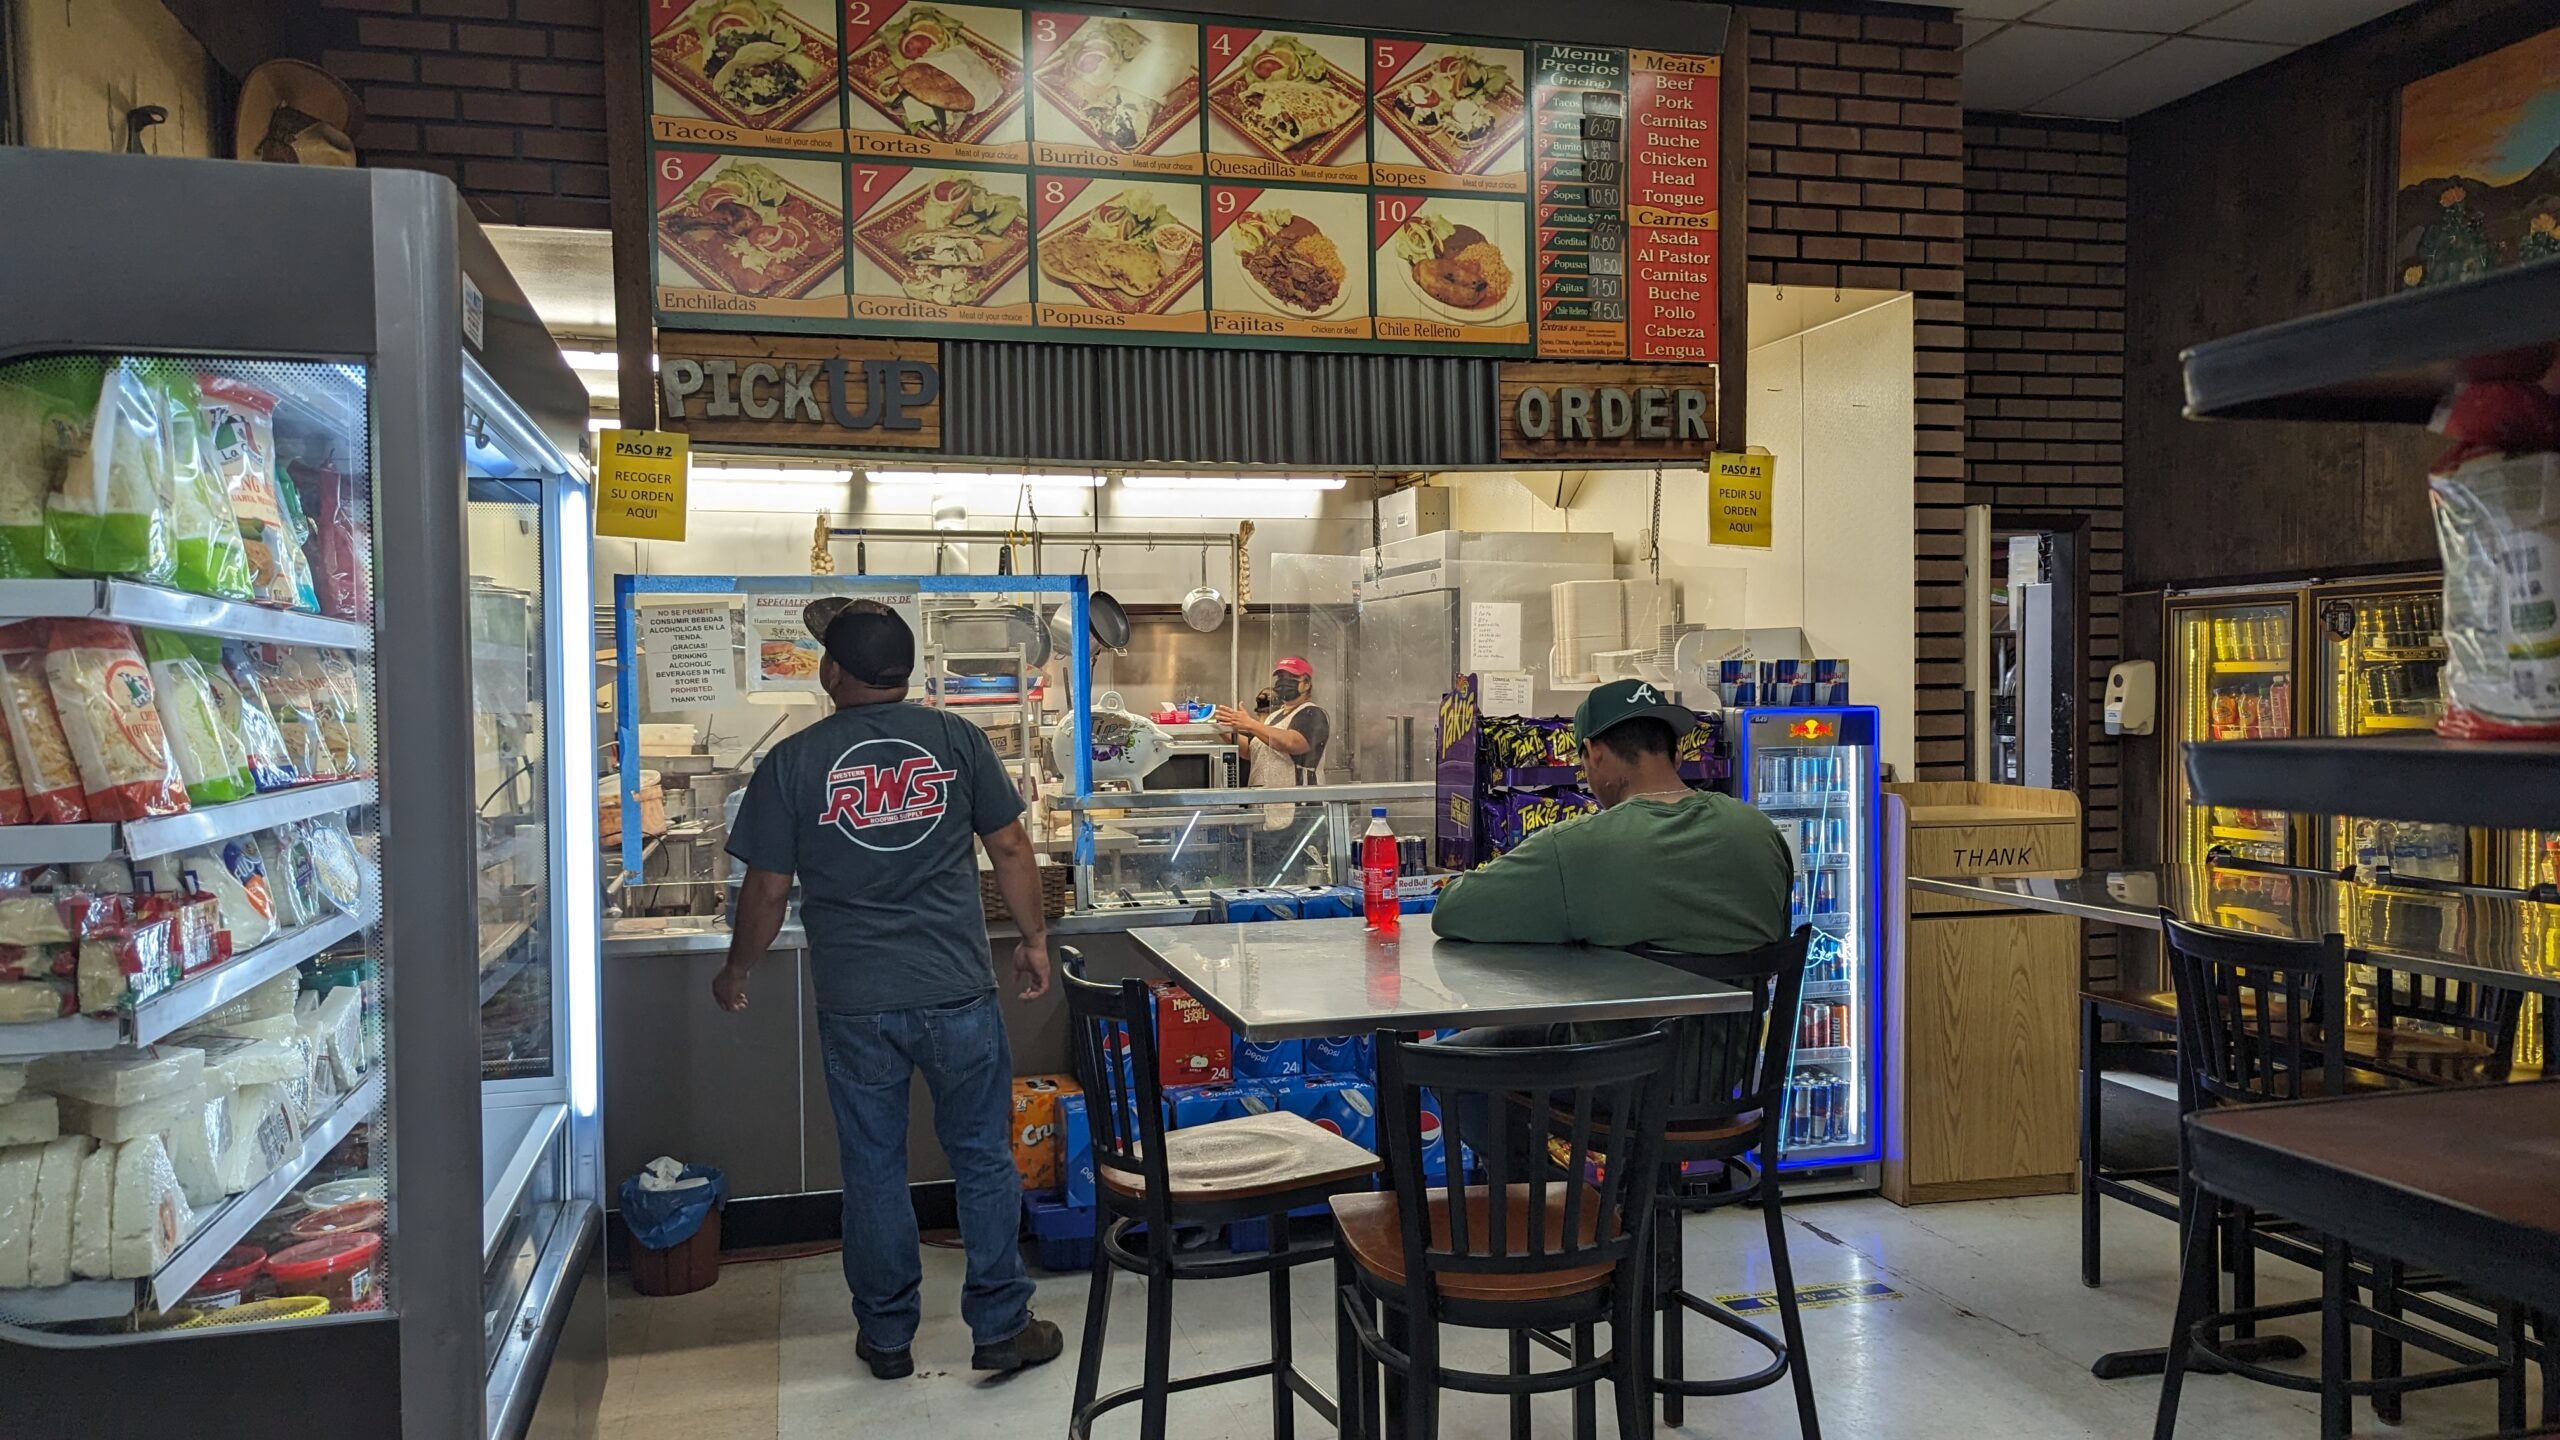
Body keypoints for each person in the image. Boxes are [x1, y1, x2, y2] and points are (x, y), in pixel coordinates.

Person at [717, 598, 1063, 1382]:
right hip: (956, 991)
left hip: (857, 1001)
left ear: (834, 673)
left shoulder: (796, 761)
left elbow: (767, 891)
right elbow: (1010, 845)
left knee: (873, 1165)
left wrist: (737, 969)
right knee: (980, 1156)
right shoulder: (956, 739)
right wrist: (1035, 940)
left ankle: (885, 1338)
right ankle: (1001, 1326)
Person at [1432, 677, 1794, 1034]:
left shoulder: (1578, 847)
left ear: (1595, 753)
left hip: (1614, 1076)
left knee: (1448, 1058)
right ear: (1678, 752)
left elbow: (1452, 912)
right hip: (1736, 1075)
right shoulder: (1760, 832)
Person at [1212, 657, 1331, 833]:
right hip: (1265, 811)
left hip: (1300, 814)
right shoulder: (1273, 718)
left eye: (1291, 678)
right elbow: (1251, 751)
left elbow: (1292, 742)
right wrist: (1222, 727)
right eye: (1281, 678)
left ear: (1306, 684)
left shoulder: (1313, 713)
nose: (1284, 683)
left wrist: (1250, 724)